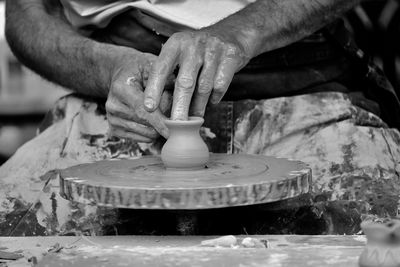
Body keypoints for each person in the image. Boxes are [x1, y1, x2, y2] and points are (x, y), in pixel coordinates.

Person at [1, 0, 399, 236]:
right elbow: (26, 13)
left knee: (377, 231)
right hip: (119, 87)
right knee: (18, 228)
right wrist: (105, 69)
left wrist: (241, 32)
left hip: (300, 76)